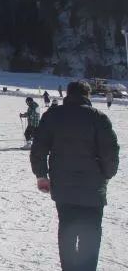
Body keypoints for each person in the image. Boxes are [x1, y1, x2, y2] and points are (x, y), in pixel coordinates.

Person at [30, 81, 119, 271]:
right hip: (93, 188)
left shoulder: (53, 116)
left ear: (67, 95)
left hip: (63, 186)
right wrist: (107, 174)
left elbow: (38, 148)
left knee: (67, 229)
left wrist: (41, 175)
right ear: (87, 95)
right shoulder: (99, 118)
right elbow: (110, 152)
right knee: (91, 234)